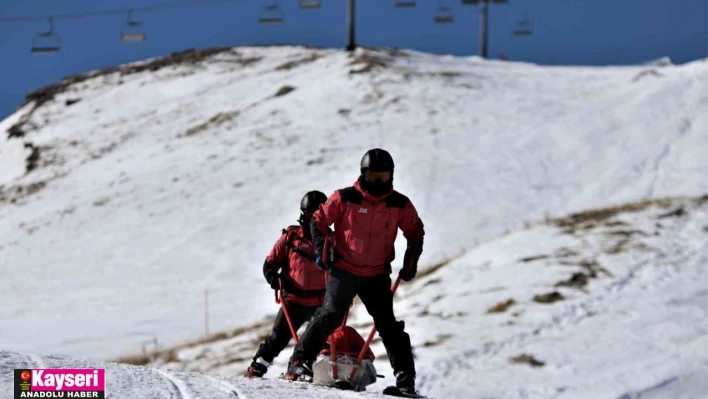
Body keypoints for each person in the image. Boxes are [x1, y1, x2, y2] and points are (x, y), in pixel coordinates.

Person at [286, 148, 425, 396]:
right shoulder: (344, 198)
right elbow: (317, 220)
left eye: (384, 176)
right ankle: (299, 363)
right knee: (329, 314)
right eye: (374, 176)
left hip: (376, 274)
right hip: (344, 269)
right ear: (363, 175)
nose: (380, 182)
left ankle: (406, 381)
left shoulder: (399, 204)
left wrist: (411, 261)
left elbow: (415, 231)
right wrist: (321, 250)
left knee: (388, 325)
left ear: (392, 175)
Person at [244, 190, 329, 378]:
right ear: (303, 214)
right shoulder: (291, 238)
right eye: (310, 215)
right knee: (278, 338)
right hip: (294, 299)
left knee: (322, 341)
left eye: (318, 215)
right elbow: (270, 264)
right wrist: (273, 279)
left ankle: (314, 370)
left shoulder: (331, 241)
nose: (313, 220)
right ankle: (258, 366)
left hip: (320, 302)